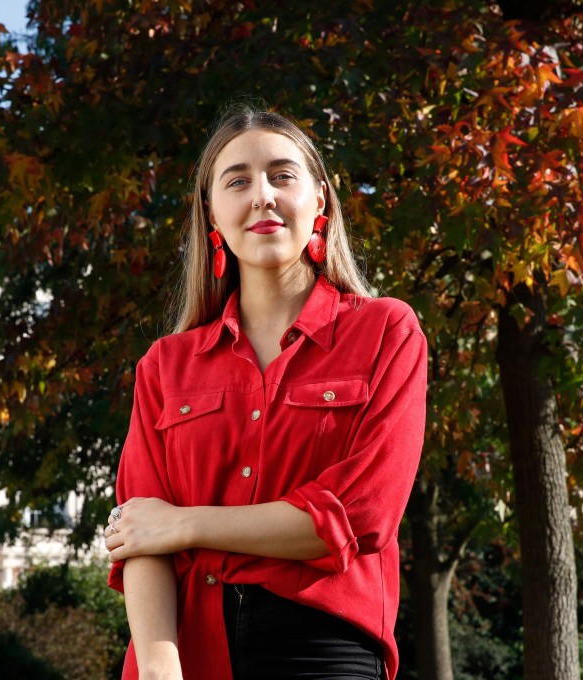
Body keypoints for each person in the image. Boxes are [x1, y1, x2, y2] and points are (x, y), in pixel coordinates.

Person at [103, 107, 427, 680]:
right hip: (188, 650)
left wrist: (188, 523)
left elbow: (360, 516)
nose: (263, 196)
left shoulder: (386, 332)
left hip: (325, 649)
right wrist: (158, 668)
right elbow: (140, 534)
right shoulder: (164, 366)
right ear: (212, 211)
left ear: (320, 200)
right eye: (237, 181)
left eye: (283, 175)